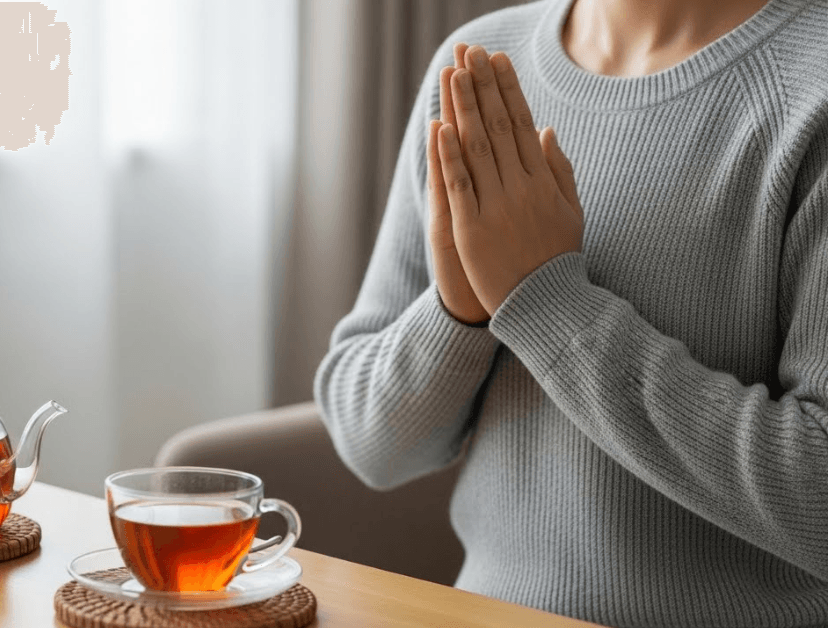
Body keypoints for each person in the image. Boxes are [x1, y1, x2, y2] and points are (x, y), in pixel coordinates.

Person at [312, 0, 828, 625]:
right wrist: (458, 314)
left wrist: (544, 301)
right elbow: (372, 445)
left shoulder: (812, 85)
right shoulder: (475, 64)